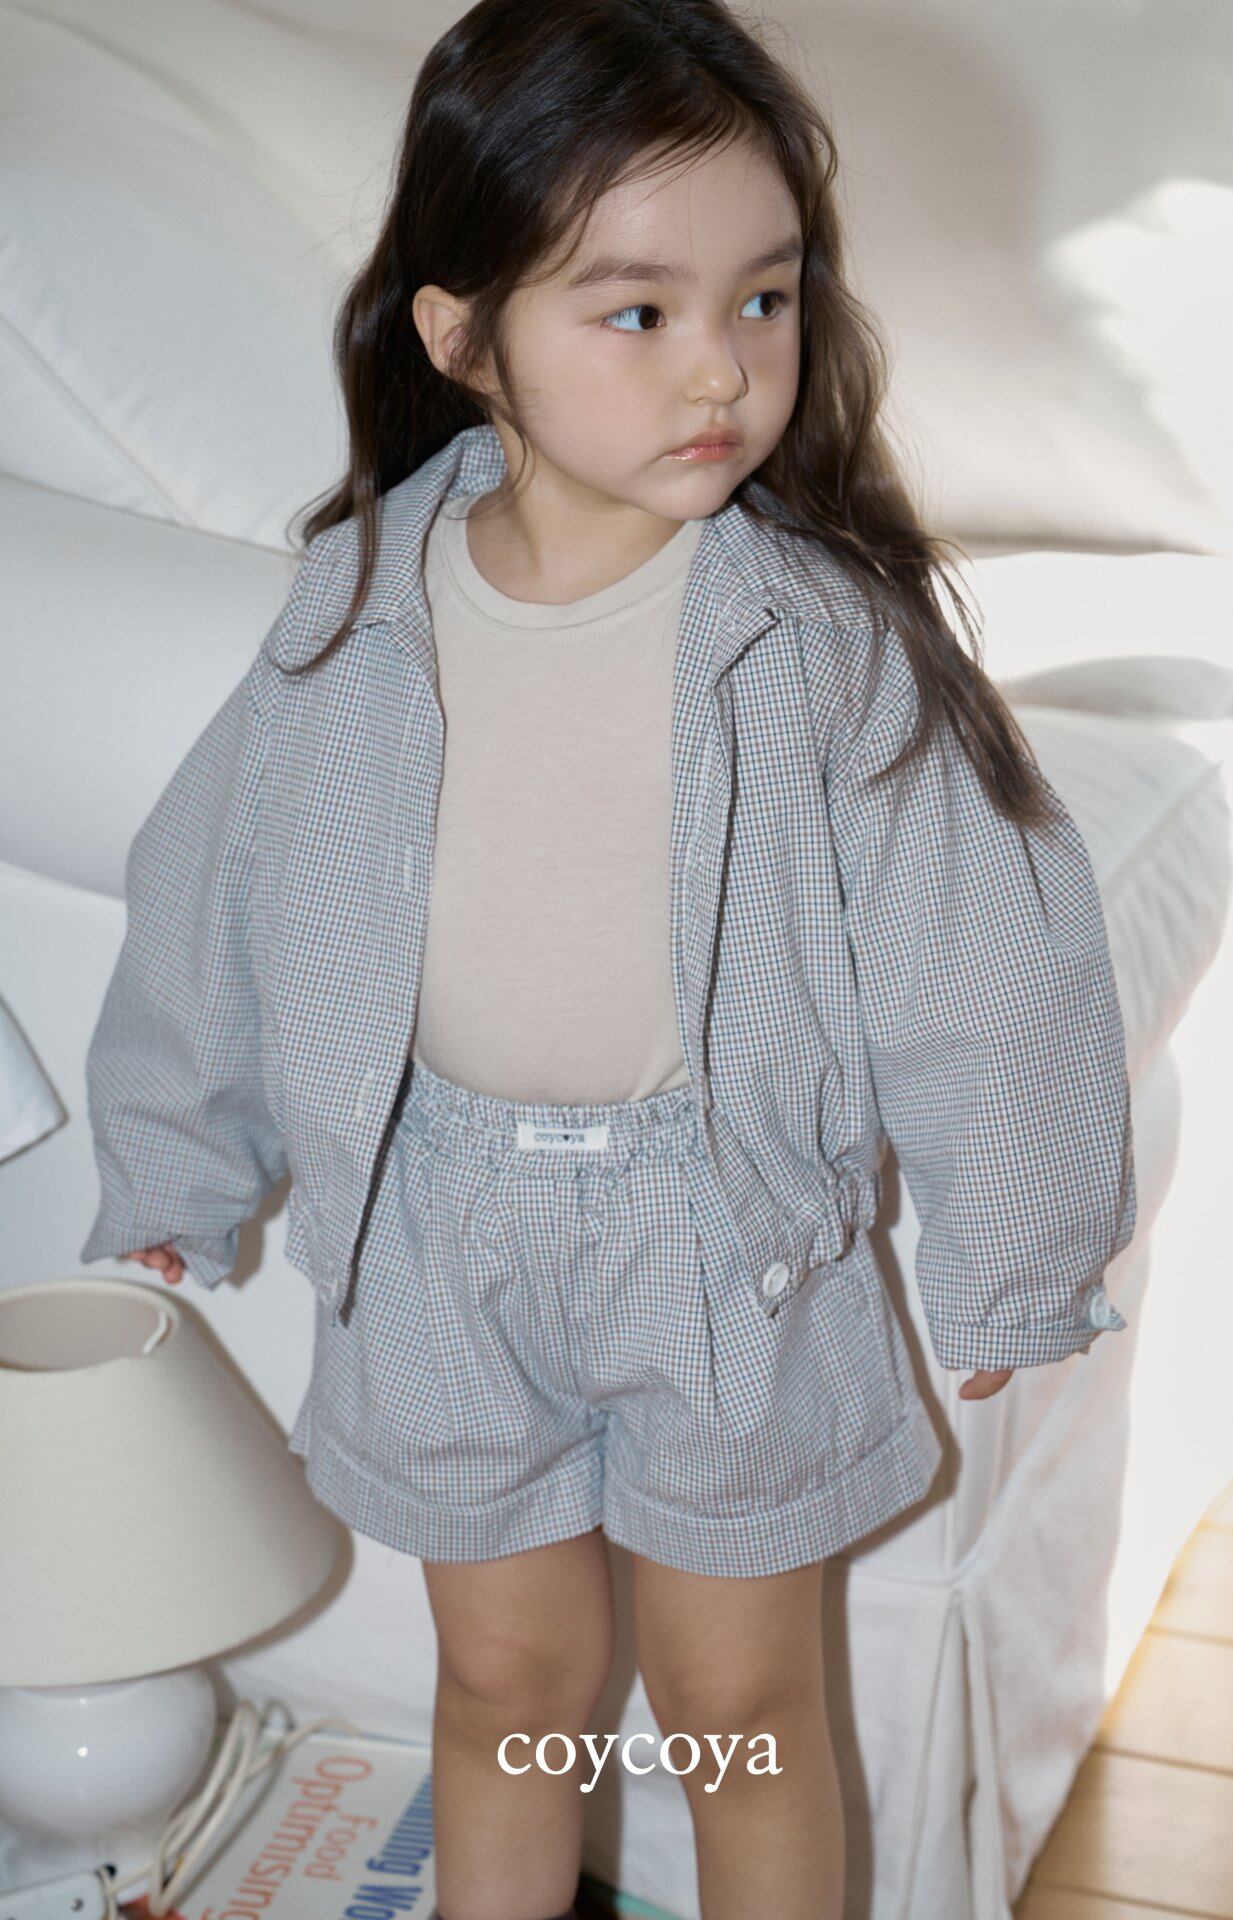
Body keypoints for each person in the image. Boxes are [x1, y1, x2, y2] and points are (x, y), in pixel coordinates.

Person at [79, 2, 1137, 1915]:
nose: (723, 368)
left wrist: (1014, 1247)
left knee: (743, 1714)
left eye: (765, 298)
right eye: (638, 311)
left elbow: (985, 952)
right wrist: (176, 1160)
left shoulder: (815, 643)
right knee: (507, 1691)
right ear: (461, 334)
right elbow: (222, 893)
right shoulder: (355, 608)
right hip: (438, 1236)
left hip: (723, 1244)